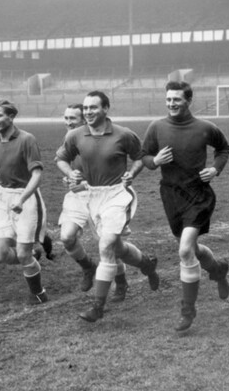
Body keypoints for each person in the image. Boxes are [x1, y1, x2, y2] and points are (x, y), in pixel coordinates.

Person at [56, 91, 160, 323]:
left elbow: (140, 157)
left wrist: (131, 173)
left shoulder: (124, 135)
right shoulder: (75, 135)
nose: (88, 112)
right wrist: (69, 172)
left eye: (93, 107)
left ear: (106, 109)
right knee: (117, 248)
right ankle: (147, 265)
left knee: (105, 246)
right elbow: (61, 159)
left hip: (117, 195)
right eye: (85, 108)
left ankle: (97, 306)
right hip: (90, 195)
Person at [140, 80, 229, 332]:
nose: (171, 104)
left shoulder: (205, 127)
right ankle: (218, 269)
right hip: (171, 195)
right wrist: (154, 160)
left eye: (177, 100)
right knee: (192, 249)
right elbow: (144, 156)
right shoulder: (156, 127)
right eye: (168, 99)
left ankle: (187, 311)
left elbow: (223, 148)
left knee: (183, 252)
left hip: (199, 195)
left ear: (188, 101)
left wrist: (215, 168)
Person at [0, 99, 49, 305]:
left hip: (25, 198)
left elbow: (37, 175)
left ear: (11, 117)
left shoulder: (27, 139)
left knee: (23, 254)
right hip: (2, 198)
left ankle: (38, 293)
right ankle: (32, 253)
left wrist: (22, 198)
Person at [56, 103, 130, 298]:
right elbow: (65, 164)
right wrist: (69, 176)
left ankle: (121, 280)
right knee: (67, 237)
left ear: (84, 120)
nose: (68, 123)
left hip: (101, 194)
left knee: (108, 243)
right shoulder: (70, 139)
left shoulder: (96, 138)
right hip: (77, 197)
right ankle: (88, 266)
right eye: (66, 118)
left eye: (72, 119)